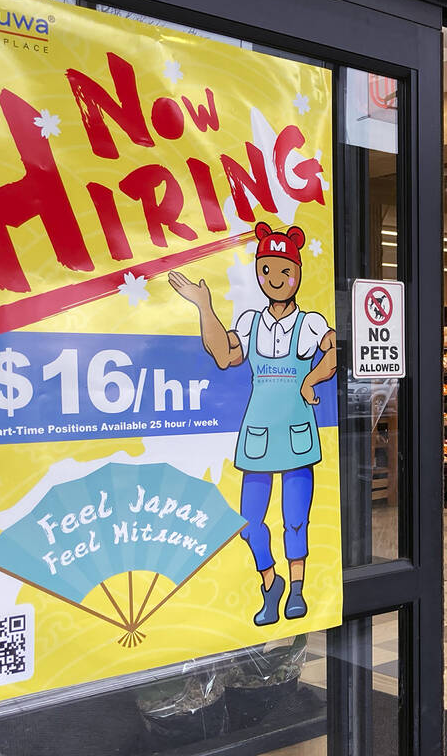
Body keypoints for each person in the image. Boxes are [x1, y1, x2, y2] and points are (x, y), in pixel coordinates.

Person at [169, 222, 337, 626]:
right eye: (267, 271)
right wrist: (204, 306)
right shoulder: (249, 321)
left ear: (297, 274)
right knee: (249, 523)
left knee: (296, 520)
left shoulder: (312, 323)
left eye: (285, 271)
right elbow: (224, 355)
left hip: (298, 435)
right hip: (258, 436)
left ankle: (297, 590)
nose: (276, 279)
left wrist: (310, 380)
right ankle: (270, 583)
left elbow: (334, 354)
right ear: (259, 272)